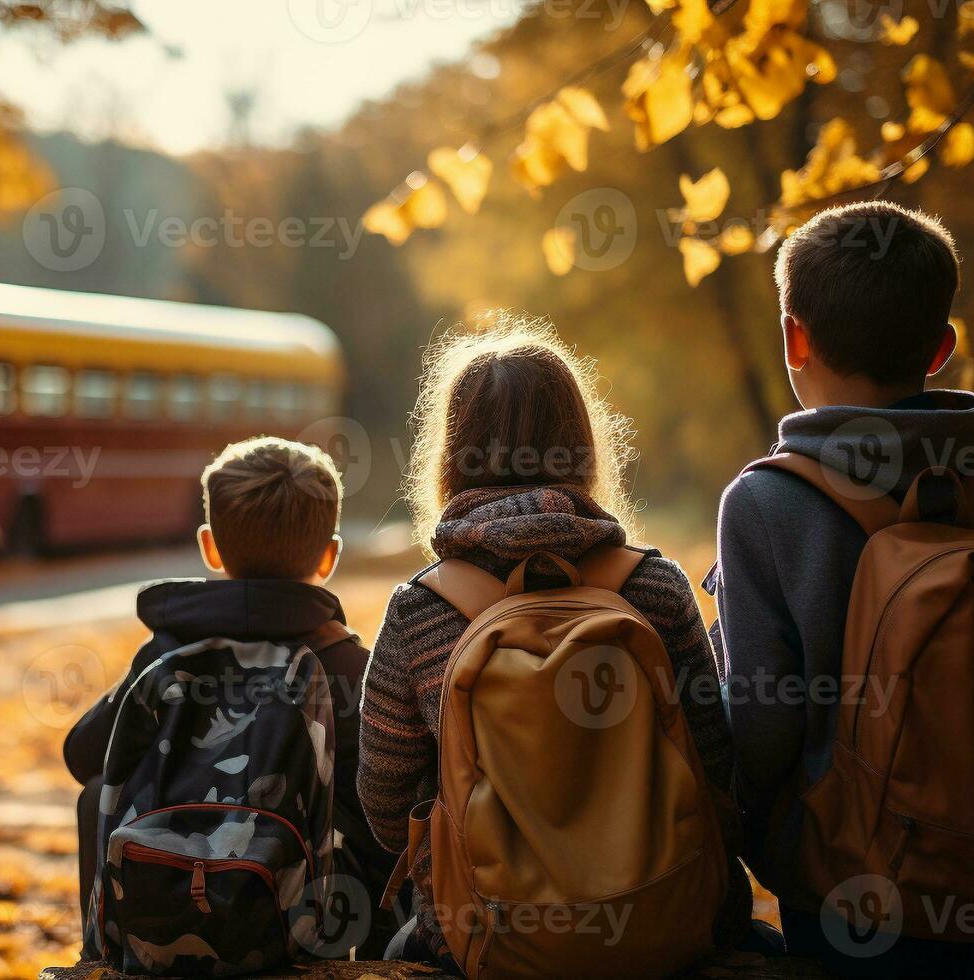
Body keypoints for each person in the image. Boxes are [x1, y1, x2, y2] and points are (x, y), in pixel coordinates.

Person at [713, 202, 974, 978]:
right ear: (940, 348)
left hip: (837, 874)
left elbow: (762, 718)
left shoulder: (764, 504)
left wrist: (731, 823)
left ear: (795, 337)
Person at [360, 317, 755, 968]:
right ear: (581, 444)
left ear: (451, 454)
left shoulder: (421, 611)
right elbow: (717, 775)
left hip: (487, 937)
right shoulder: (651, 587)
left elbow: (385, 810)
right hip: (668, 922)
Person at [64, 436, 399, 965]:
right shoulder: (350, 669)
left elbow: (81, 753)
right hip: (309, 929)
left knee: (97, 793)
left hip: (165, 900)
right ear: (330, 556)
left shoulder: (170, 653)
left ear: (210, 547)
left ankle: (102, 957)